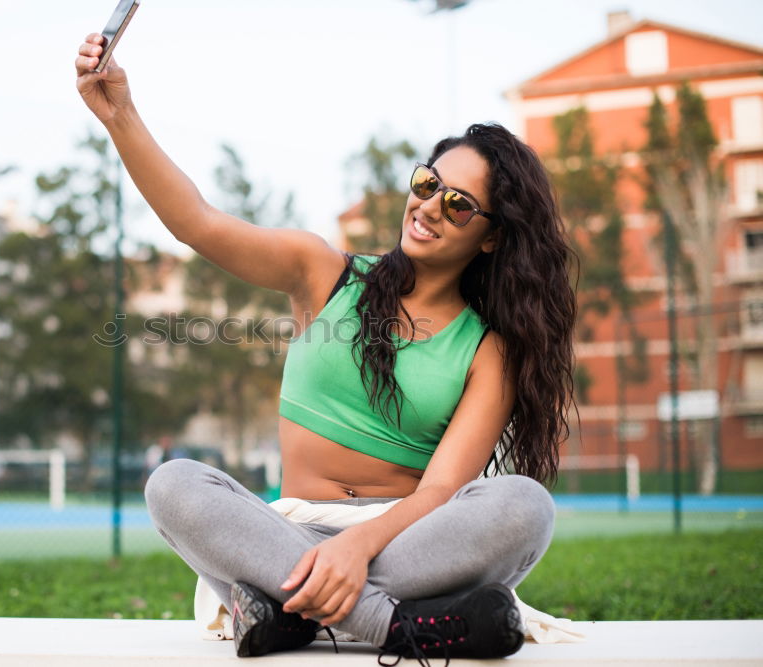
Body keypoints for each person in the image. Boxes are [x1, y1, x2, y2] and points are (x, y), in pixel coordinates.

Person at [75, 32, 577, 666]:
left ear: (491, 238)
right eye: (427, 184)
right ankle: (397, 628)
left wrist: (359, 546)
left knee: (524, 506)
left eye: (458, 205)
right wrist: (119, 113)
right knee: (174, 484)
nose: (428, 207)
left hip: (405, 542)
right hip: (281, 534)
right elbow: (196, 221)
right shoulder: (325, 272)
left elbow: (442, 491)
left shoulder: (488, 348)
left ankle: (286, 615)